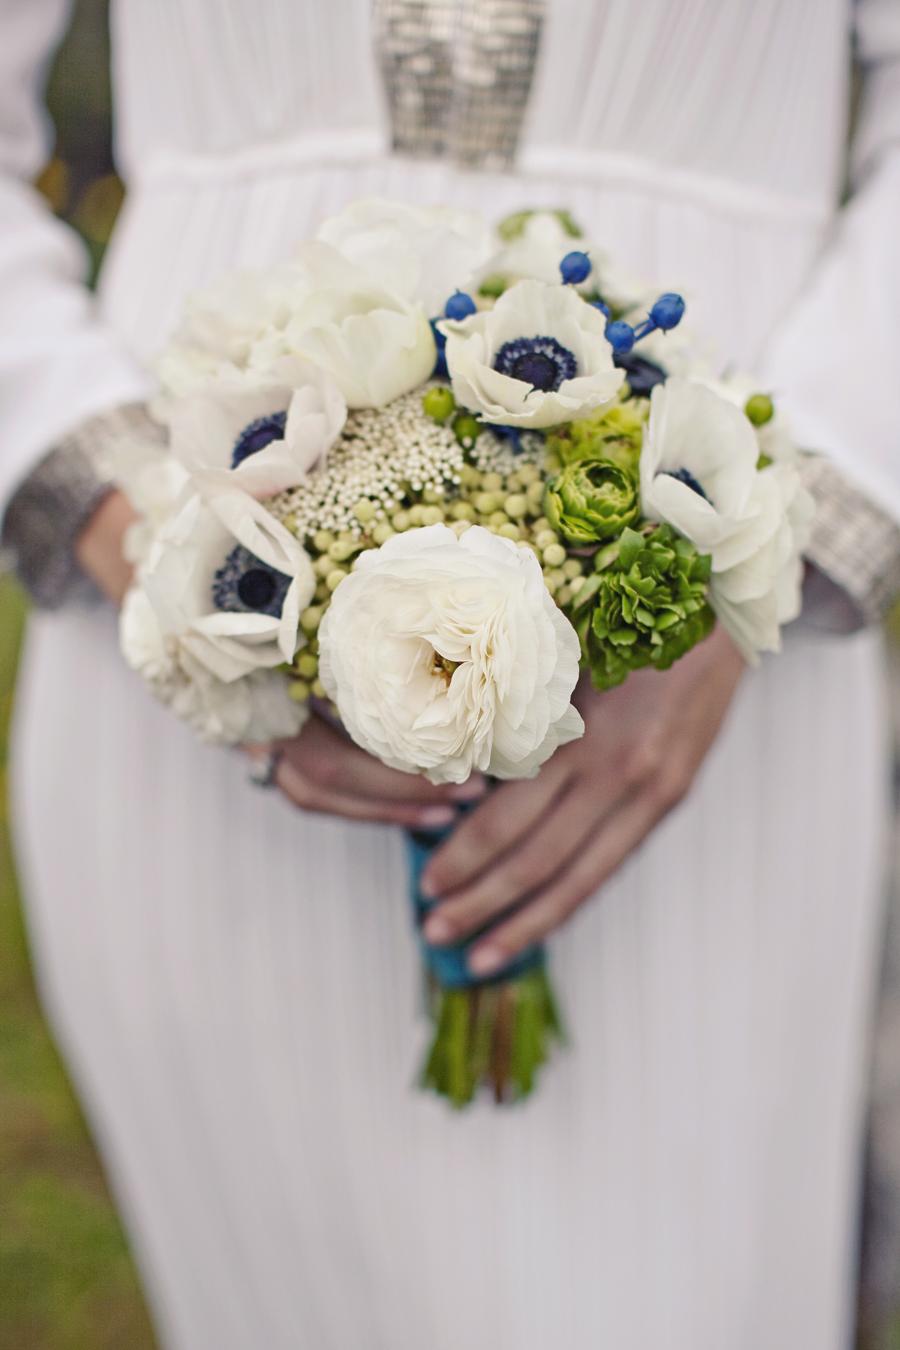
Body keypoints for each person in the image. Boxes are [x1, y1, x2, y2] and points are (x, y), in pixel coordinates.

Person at [2, 2, 900, 1347]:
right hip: (190, 617)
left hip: (727, 675)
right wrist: (173, 550)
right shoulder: (184, 567)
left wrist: (764, 552)